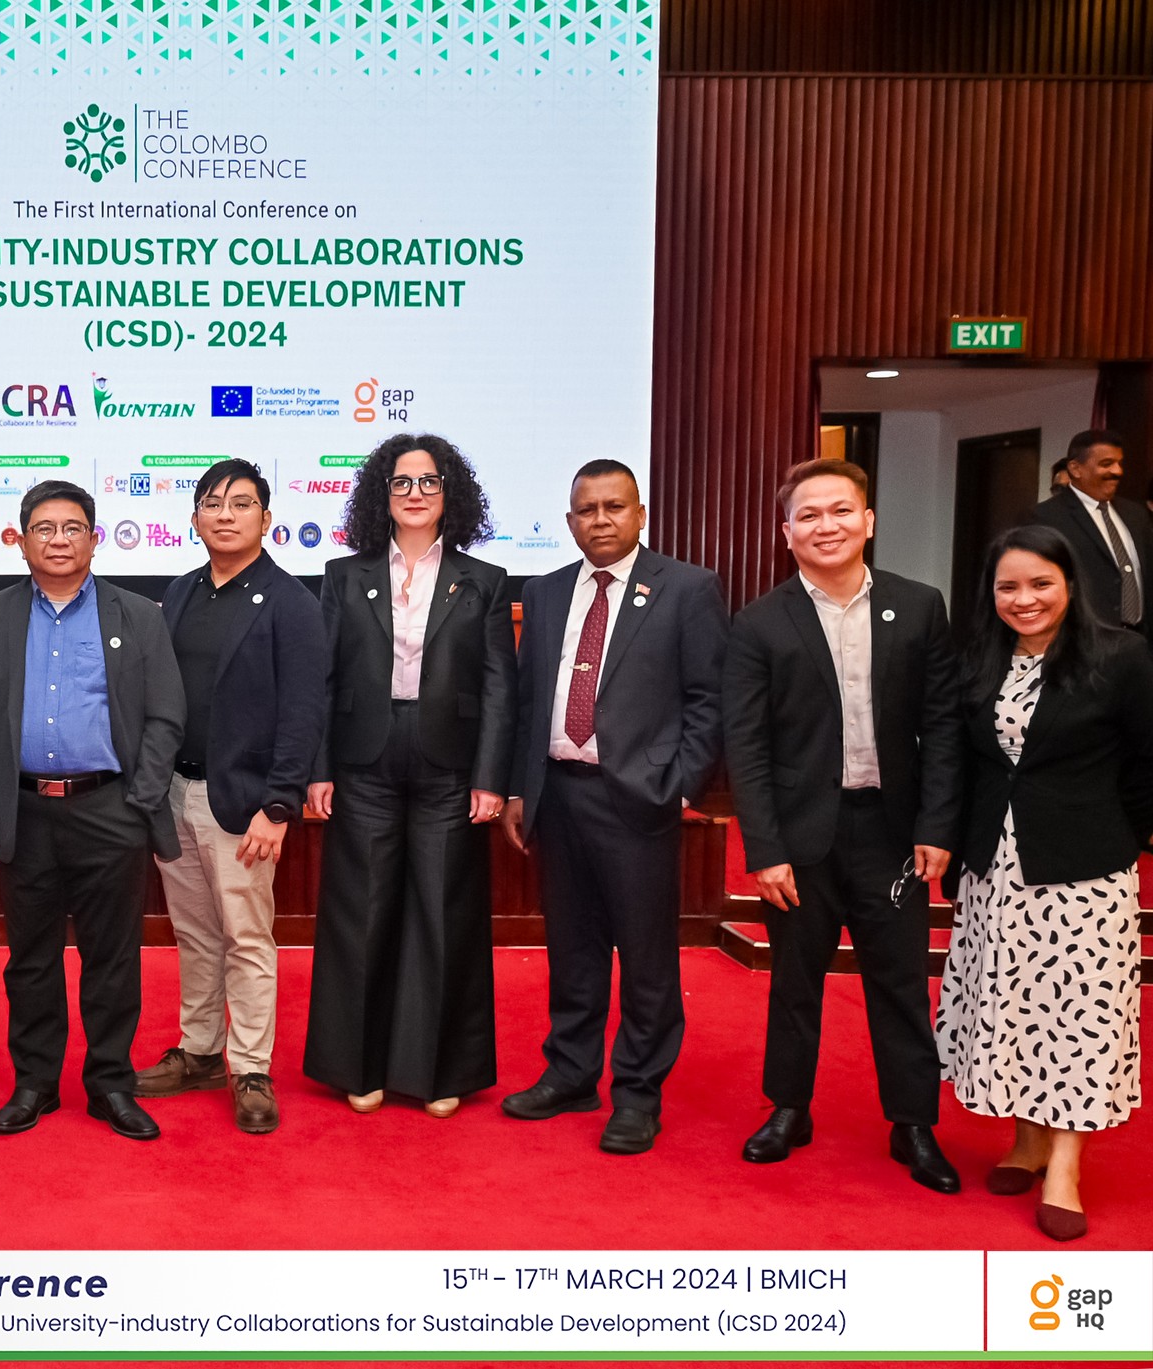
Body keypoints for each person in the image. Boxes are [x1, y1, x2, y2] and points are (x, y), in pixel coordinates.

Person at [724, 458, 963, 1192]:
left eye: (840, 510)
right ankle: (789, 1108)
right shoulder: (760, 621)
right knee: (795, 981)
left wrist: (937, 825)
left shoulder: (919, 606)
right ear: (786, 531)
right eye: (809, 515)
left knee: (899, 983)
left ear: (868, 520)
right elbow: (748, 744)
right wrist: (763, 848)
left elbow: (943, 725)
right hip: (801, 841)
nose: (825, 525)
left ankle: (913, 1123)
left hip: (892, 834)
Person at [499, 459, 727, 1154]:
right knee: (572, 948)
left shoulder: (687, 588)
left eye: (613, 507)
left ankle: (637, 1091)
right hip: (558, 797)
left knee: (647, 956)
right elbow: (527, 699)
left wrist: (677, 782)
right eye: (586, 510)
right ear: (569, 521)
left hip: (638, 800)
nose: (599, 520)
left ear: (640, 514)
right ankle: (571, 1073)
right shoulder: (542, 594)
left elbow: (708, 700)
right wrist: (518, 787)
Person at [936, 524, 1152, 1242]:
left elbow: (1145, 765)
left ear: (1068, 584)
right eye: (1008, 586)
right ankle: (1027, 1141)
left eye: (1040, 584)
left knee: (1079, 1015)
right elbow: (971, 763)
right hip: (997, 869)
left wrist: (1119, 836)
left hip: (1084, 871)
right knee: (1020, 1005)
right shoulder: (982, 659)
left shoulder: (1120, 655)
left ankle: (1064, 1165)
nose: (1024, 599)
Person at [0, 479, 186, 1142]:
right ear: (22, 538)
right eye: (45, 527)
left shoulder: (137, 614)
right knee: (30, 956)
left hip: (107, 809)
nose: (59, 539)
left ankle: (111, 1082)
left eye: (72, 527)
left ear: (94, 536)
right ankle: (34, 1081)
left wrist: (138, 801)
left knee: (111, 956)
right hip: (23, 812)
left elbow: (165, 716)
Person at [303, 433, 516, 1119]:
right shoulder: (344, 574)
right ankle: (357, 1065)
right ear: (381, 496)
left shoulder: (482, 579)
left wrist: (490, 776)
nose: (415, 492)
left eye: (428, 481)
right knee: (359, 913)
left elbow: (497, 686)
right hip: (363, 758)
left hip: (450, 765)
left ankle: (436, 1070)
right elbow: (322, 679)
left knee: (442, 912)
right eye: (402, 482)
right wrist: (318, 769)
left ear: (450, 493)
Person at [133, 459, 328, 1134]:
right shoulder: (181, 592)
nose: (224, 513)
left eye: (240, 503)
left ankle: (249, 1066)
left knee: (247, 937)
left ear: (266, 519)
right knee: (194, 933)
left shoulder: (292, 602)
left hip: (244, 804)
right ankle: (197, 1050)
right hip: (176, 793)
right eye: (211, 502)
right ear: (193, 518)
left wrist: (279, 805)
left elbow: (305, 711)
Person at [1024, 430, 1151, 640]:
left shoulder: (1135, 515)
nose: (1117, 471)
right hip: (1082, 646)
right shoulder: (1046, 517)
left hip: (1139, 645)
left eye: (1120, 463)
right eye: (1106, 464)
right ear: (1075, 468)